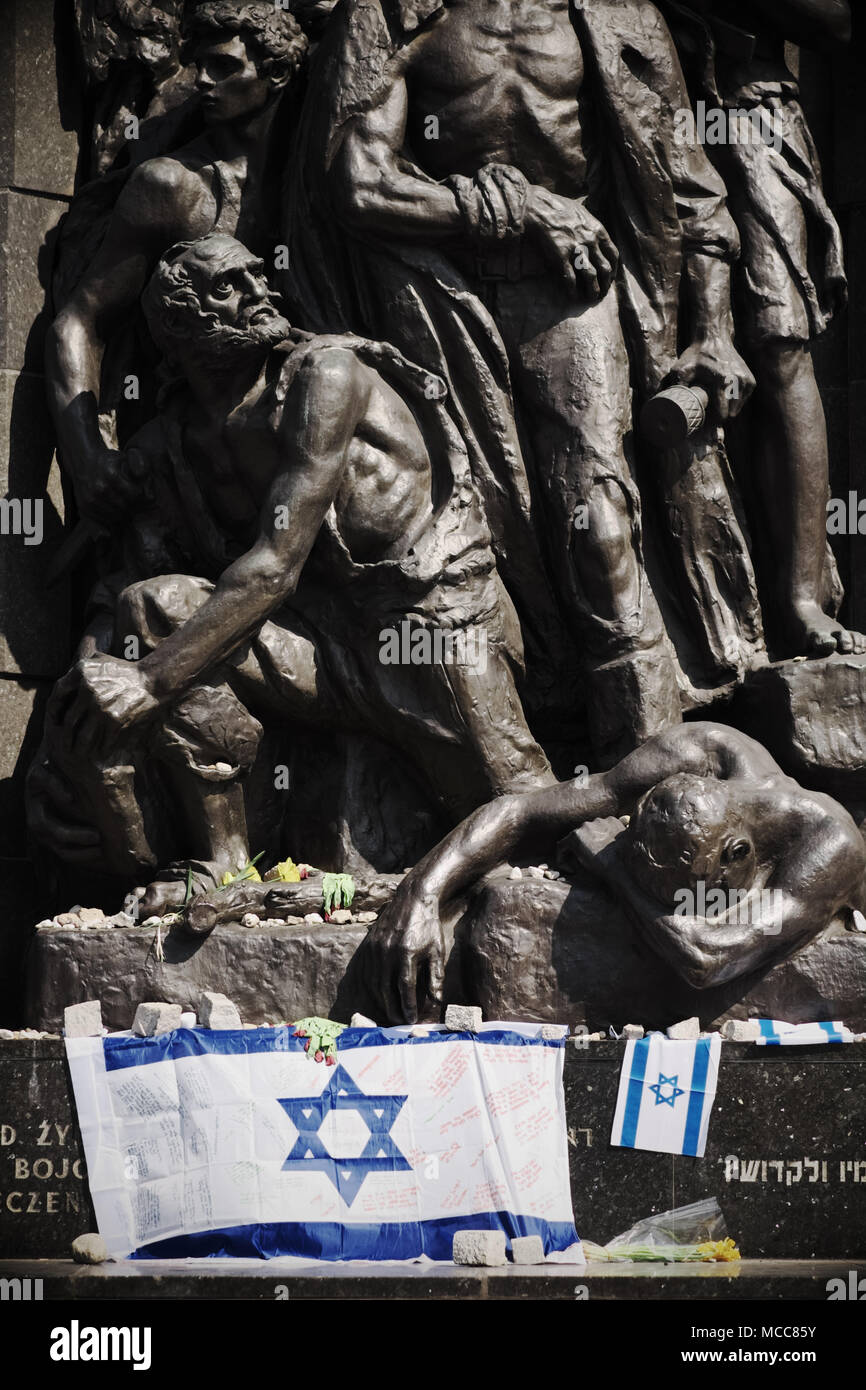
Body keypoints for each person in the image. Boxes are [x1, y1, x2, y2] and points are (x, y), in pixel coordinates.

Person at [286, 0, 756, 757]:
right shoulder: (390, 12)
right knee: (467, 536)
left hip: (574, 289)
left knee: (601, 530)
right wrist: (511, 208)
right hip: (431, 290)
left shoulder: (620, 17)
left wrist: (713, 330)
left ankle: (651, 776)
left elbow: (692, 188)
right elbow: (358, 182)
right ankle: (518, 772)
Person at [29, 235, 554, 904]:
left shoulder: (323, 377)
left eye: (256, 275)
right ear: (178, 321)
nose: (259, 292)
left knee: (530, 822)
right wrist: (67, 737)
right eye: (229, 286)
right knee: (154, 606)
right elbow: (118, 592)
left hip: (426, 629)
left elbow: (275, 566)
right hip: (319, 647)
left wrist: (149, 682)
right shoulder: (177, 439)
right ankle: (228, 869)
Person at [363, 720, 866, 1021]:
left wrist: (609, 866)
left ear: (736, 856)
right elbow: (523, 811)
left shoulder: (831, 845)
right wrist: (423, 892)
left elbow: (707, 955)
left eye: (672, 891)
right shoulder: (697, 750)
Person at [45, 2, 308, 527]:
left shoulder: (321, 172)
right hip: (201, 448)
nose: (204, 82)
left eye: (225, 67)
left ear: (277, 73)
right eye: (199, 65)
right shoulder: (172, 188)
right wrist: (86, 458)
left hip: (307, 423)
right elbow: (81, 319)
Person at [667, 0, 863, 656]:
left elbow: (834, 21)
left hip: (745, 107)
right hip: (632, 96)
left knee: (780, 344)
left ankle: (801, 597)